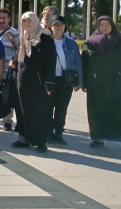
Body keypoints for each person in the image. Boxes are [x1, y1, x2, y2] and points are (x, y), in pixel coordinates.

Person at [11, 12, 56, 153]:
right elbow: (19, 53)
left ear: (35, 22)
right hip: (22, 80)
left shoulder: (45, 37)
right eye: (24, 21)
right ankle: (23, 137)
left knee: (39, 111)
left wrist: (49, 82)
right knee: (22, 109)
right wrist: (14, 60)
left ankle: (41, 141)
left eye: (29, 21)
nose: (26, 24)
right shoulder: (23, 37)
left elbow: (51, 61)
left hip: (39, 82)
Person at [82, 16, 121, 148]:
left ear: (112, 25)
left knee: (117, 110)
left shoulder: (119, 41)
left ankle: (117, 136)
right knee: (96, 111)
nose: (104, 27)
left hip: (116, 83)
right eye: (101, 24)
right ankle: (97, 138)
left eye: (107, 24)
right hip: (95, 84)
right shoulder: (90, 42)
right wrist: (83, 82)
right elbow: (84, 63)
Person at [47, 15, 82, 145]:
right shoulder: (45, 41)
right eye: (55, 25)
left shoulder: (71, 43)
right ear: (50, 27)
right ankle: (48, 133)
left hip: (66, 80)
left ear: (64, 26)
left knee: (62, 108)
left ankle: (59, 133)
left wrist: (80, 82)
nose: (58, 27)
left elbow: (78, 62)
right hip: (49, 79)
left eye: (61, 24)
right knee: (48, 107)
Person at [0, 8, 20, 131]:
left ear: (9, 19)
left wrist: (13, 41)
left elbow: (21, 50)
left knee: (7, 95)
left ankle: (7, 121)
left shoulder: (15, 33)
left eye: (4, 18)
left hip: (8, 71)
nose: (1, 20)